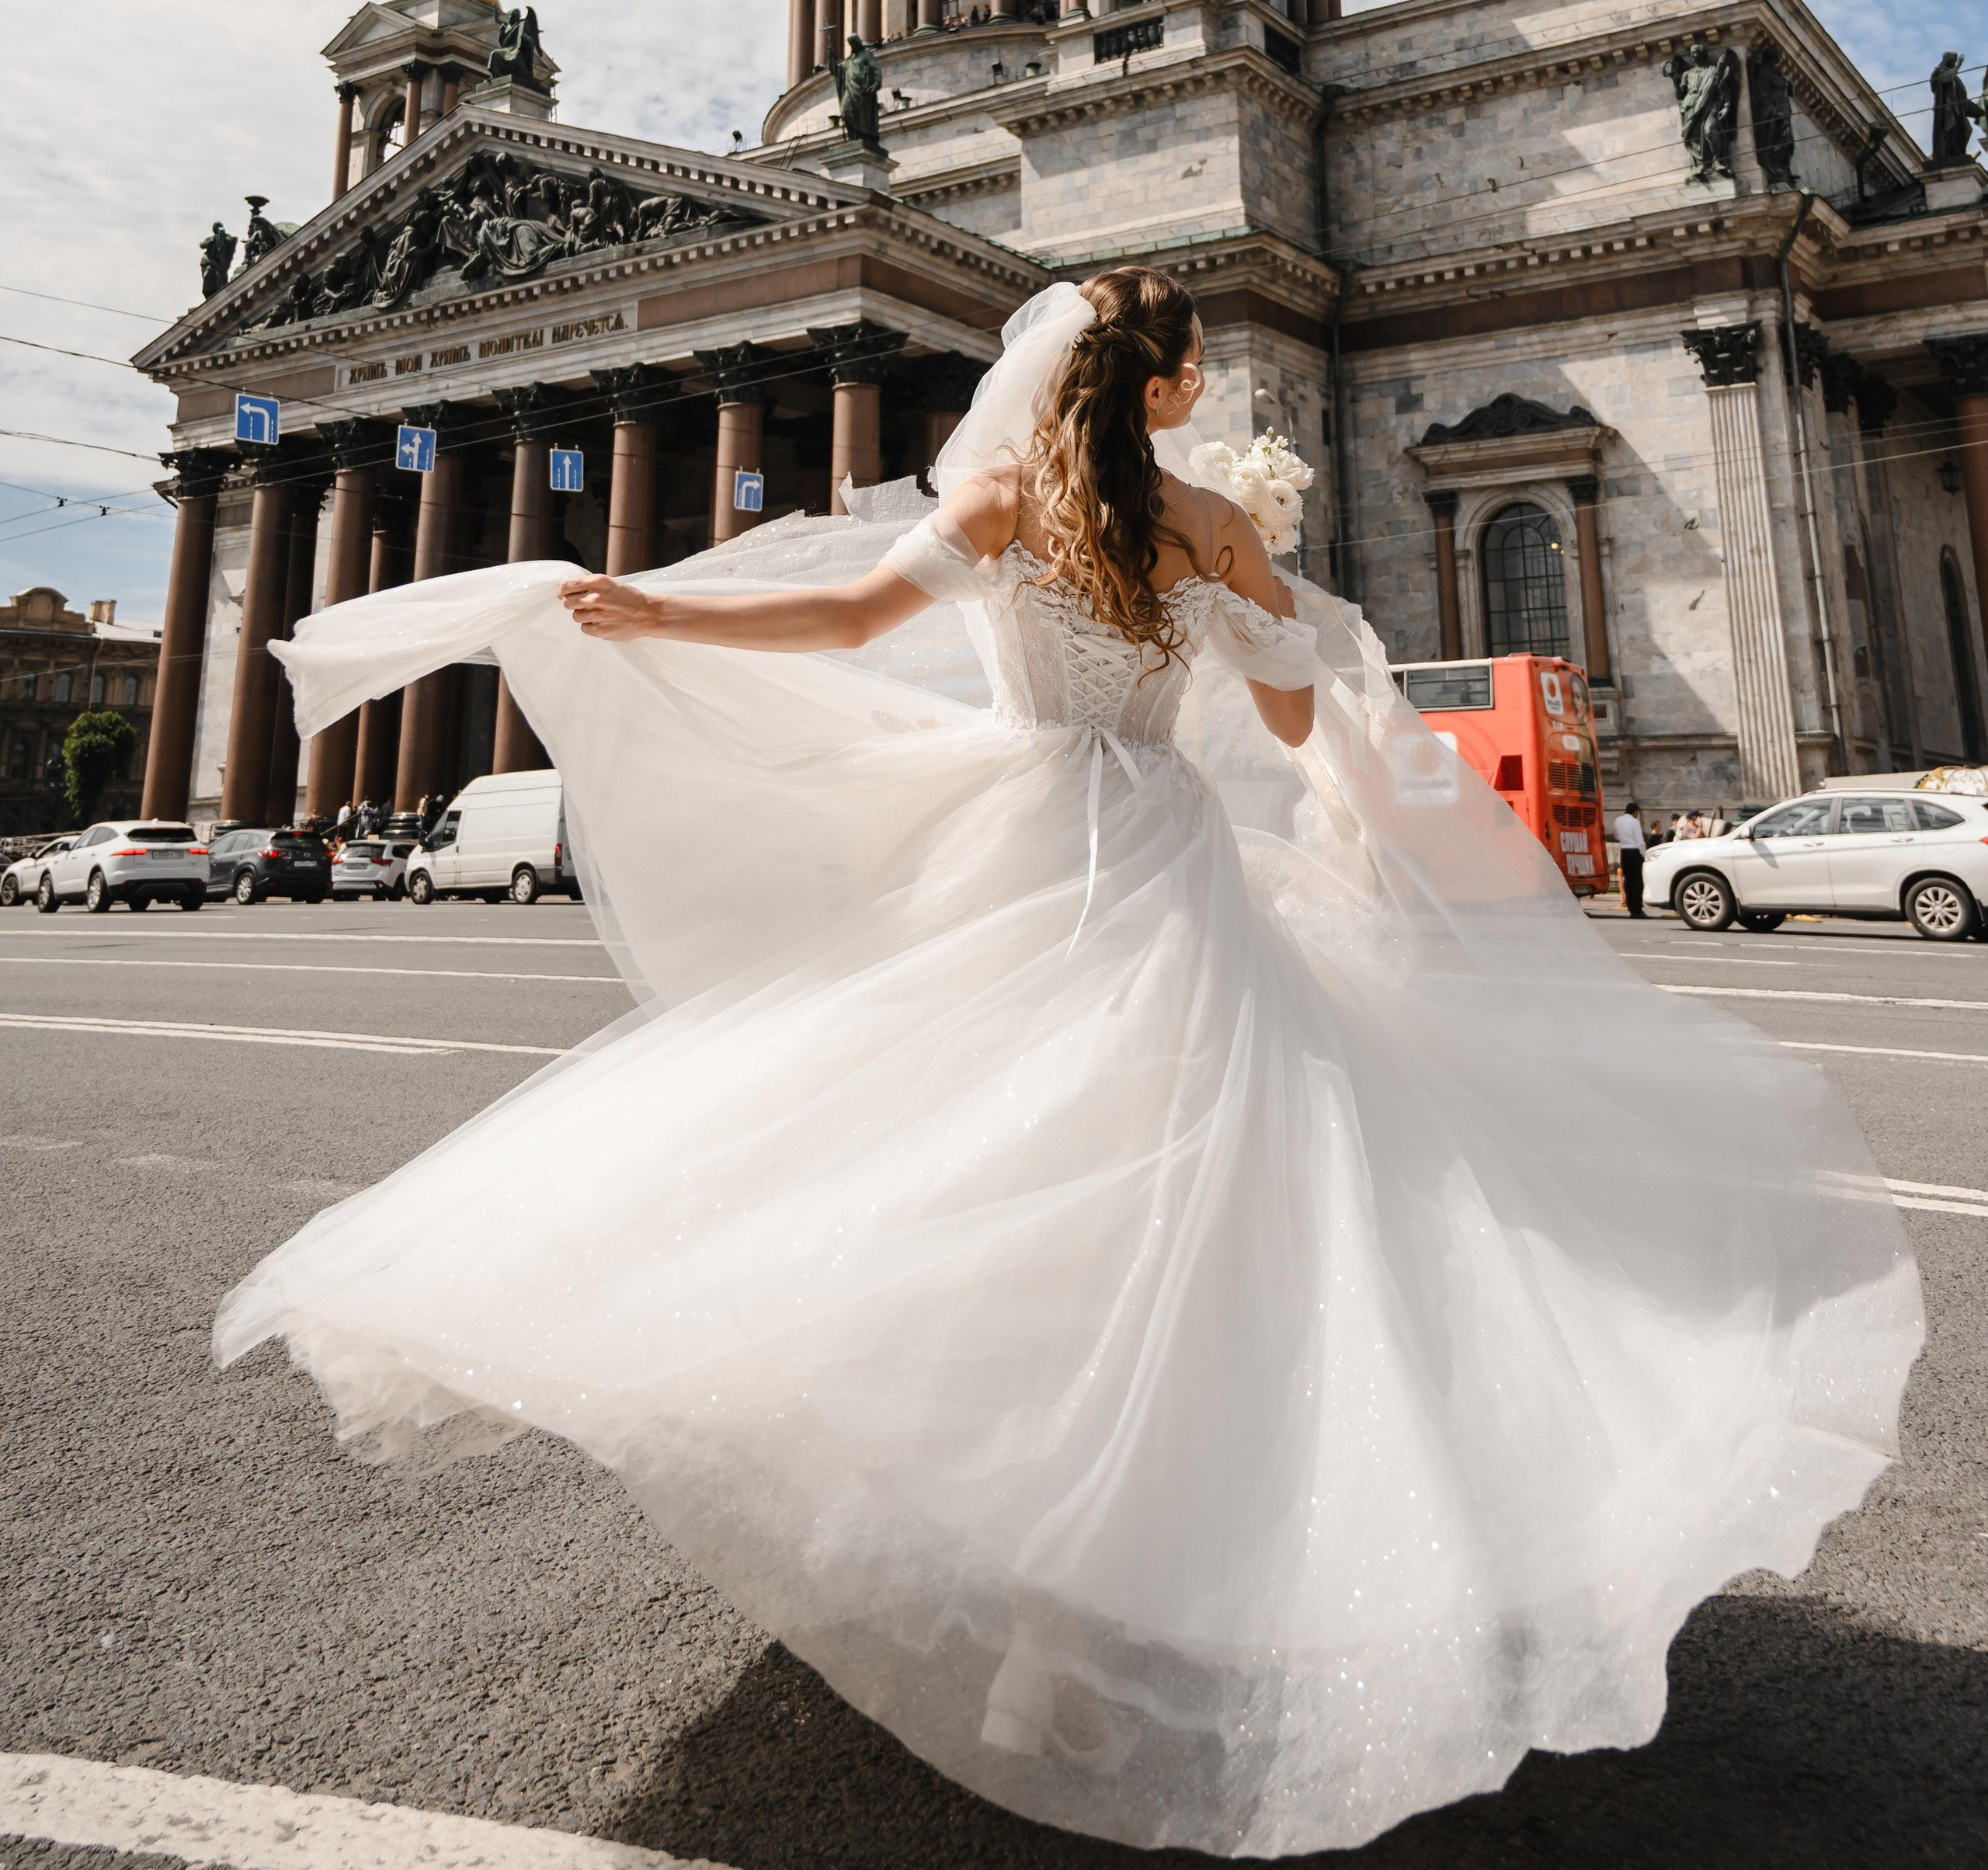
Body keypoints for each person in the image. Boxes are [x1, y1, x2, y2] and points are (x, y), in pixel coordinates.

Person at [215, 272, 1920, 1860]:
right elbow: (1285, 720)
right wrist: (1314, 716)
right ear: (1172, 392)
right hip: (1163, 855)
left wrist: (645, 611)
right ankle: (1094, 1602)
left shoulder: (995, 504)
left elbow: (835, 619)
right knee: (1199, 1207)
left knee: (918, 1145)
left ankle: (979, 1540)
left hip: (1010, 834)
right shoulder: (1207, 524)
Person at [1613, 803, 1647, 919]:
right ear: (1635, 812)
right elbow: (1639, 840)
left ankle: (1630, 907)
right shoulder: (1634, 822)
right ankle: (1637, 909)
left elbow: (1616, 836)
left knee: (1627, 880)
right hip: (1635, 852)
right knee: (1637, 881)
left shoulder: (1618, 820)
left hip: (1624, 852)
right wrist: (1644, 854)